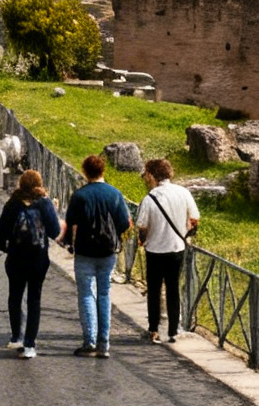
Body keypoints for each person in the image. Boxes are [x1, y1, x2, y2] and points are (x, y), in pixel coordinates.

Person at [62, 153, 131, 357]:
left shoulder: (80, 195)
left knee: (86, 294)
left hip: (84, 250)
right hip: (108, 251)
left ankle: (89, 341)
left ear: (85, 171)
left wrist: (67, 243)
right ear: (103, 171)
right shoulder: (114, 194)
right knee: (104, 294)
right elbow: (125, 222)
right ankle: (104, 343)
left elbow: (70, 221)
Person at [0, 169, 62, 358]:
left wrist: (8, 248)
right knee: (34, 299)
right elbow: (55, 231)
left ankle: (16, 337)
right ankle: (30, 344)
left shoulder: (13, 204)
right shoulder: (45, 204)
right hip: (38, 258)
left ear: (21, 184)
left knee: (15, 296)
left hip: (15, 257)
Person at [134, 157, 201, 344]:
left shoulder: (150, 198)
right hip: (177, 248)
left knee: (154, 290)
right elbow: (194, 218)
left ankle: (153, 329)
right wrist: (185, 234)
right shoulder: (183, 192)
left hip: (155, 249)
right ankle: (173, 330)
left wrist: (142, 240)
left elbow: (142, 225)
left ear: (153, 175)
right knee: (173, 289)